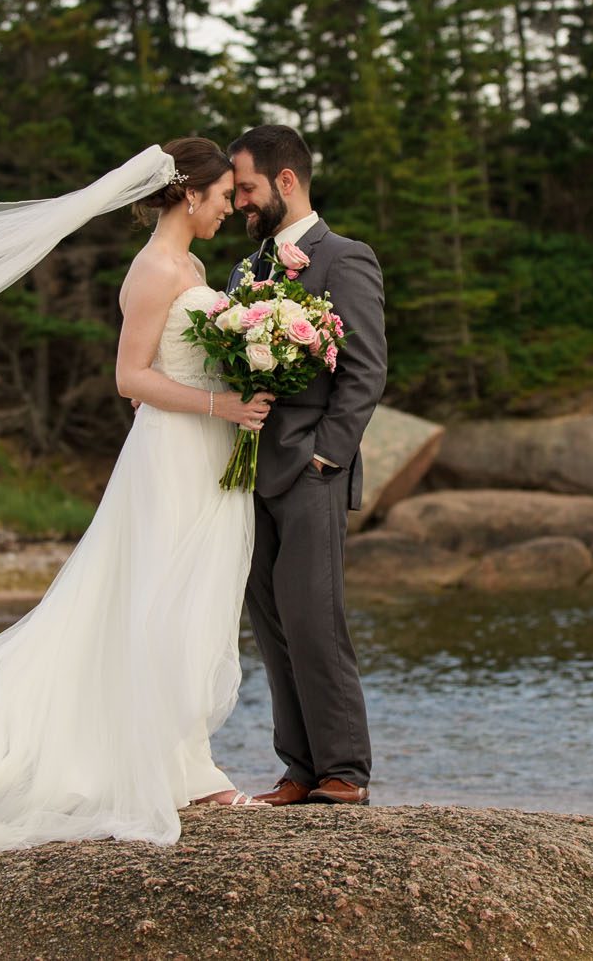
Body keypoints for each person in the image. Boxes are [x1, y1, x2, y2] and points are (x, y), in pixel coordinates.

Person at [0, 136, 276, 909]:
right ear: (190, 194)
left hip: (209, 446)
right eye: (223, 195)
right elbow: (131, 377)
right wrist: (224, 403)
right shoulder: (155, 270)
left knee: (194, 601)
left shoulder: (191, 268)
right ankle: (171, 773)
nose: (229, 207)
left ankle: (187, 762)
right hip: (172, 452)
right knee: (158, 599)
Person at [224, 125, 387, 808]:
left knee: (316, 619)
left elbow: (366, 368)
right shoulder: (243, 270)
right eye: (234, 192)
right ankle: (297, 767)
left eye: (247, 188)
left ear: (286, 180)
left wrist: (329, 452)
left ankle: (344, 768)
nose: (238, 202)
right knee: (272, 624)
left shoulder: (344, 258)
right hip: (250, 469)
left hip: (311, 470)